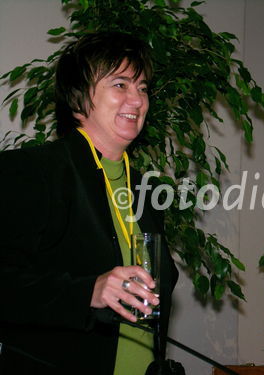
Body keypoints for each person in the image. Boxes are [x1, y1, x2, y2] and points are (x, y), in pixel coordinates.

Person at [0, 31, 178, 374]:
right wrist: (87, 292)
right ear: (79, 96)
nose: (137, 99)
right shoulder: (31, 171)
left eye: (143, 88)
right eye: (121, 84)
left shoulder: (144, 190)